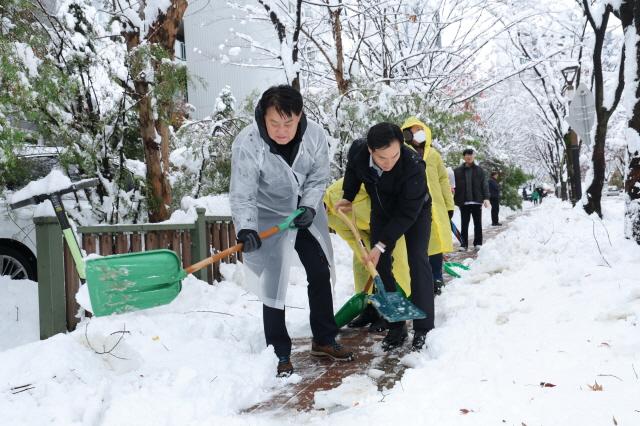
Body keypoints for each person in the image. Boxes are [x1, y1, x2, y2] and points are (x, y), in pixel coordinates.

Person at [229, 85, 353, 378]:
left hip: (302, 213)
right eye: (274, 123)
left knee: (319, 271)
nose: (282, 130)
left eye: (289, 123)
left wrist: (309, 207)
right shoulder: (248, 142)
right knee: (273, 281)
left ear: (300, 117)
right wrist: (246, 227)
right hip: (267, 213)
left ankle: (324, 338)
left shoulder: (315, 136)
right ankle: (278, 351)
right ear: (264, 117)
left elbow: (318, 176)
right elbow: (242, 192)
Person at [334, 123, 434, 352]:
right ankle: (396, 326)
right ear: (370, 150)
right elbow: (353, 170)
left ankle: (423, 328)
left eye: (394, 155)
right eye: (382, 158)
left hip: (415, 212)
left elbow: (407, 214)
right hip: (381, 210)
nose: (389, 163)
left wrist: (380, 245)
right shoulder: (360, 153)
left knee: (417, 261)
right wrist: (348, 196)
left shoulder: (413, 165)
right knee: (381, 267)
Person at [324, 179, 411, 331]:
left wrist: (383, 246)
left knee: (393, 269)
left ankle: (392, 312)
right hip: (367, 232)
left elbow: (380, 186)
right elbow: (352, 236)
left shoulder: (341, 190)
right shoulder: (328, 217)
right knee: (361, 269)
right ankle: (370, 309)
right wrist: (366, 257)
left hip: (389, 225)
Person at [401, 117, 455, 295]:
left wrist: (449, 205)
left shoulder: (433, 154)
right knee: (419, 247)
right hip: (414, 207)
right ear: (407, 133)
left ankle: (437, 278)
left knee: (436, 246)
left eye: (420, 129)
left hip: (435, 206)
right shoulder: (402, 152)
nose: (418, 133)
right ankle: (420, 281)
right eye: (414, 130)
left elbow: (442, 180)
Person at [453, 148, 490, 251]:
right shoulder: (457, 171)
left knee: (477, 223)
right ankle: (463, 244)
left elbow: (484, 185)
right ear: (464, 157)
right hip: (463, 202)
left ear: (474, 156)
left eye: (471, 154)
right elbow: (453, 186)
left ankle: (478, 243)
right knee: (464, 224)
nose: (469, 156)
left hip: (476, 201)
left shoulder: (480, 170)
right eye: (467, 155)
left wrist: (486, 198)